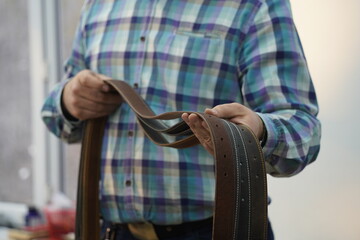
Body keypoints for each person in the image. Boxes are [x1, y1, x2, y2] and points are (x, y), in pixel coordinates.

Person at [41, 0, 321, 239]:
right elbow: (57, 118)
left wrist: (256, 134)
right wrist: (68, 101)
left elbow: (303, 130)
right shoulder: (99, 5)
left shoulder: (254, 5)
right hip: (109, 230)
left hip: (214, 232)